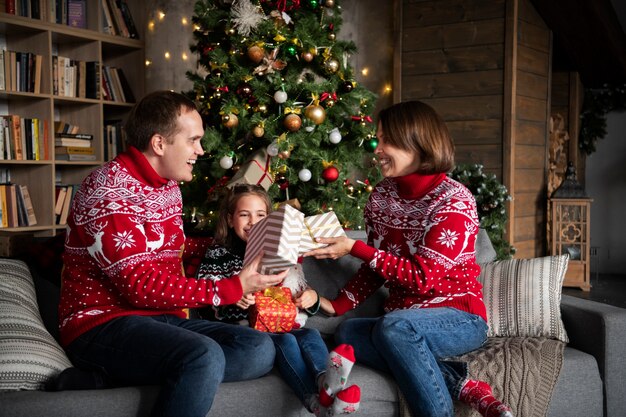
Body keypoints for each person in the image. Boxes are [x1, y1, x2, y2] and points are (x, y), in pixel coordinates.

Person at [57, 90, 288, 417]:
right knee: (203, 356)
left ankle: (103, 379)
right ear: (159, 144)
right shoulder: (107, 189)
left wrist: (239, 242)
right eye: (193, 140)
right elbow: (139, 286)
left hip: (160, 319)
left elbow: (170, 248)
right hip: (102, 324)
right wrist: (231, 287)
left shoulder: (168, 186)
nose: (201, 150)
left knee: (257, 348)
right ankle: (156, 371)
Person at [305, 101, 514, 417]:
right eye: (378, 139)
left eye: (385, 139)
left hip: (459, 318)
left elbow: (422, 278)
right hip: (400, 321)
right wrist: (337, 305)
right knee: (349, 333)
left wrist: (353, 247)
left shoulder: (454, 201)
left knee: (395, 327)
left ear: (417, 143)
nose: (378, 149)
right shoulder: (382, 197)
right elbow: (377, 267)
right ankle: (462, 385)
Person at [195, 184, 361, 417]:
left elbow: (299, 289)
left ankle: (326, 381)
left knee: (310, 335)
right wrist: (232, 297)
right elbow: (205, 288)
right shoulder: (219, 253)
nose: (253, 222)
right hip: (246, 330)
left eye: (261, 215)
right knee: (287, 342)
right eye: (244, 215)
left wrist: (311, 298)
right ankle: (313, 400)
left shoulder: (280, 251)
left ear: (271, 221)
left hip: (282, 322)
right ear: (231, 220)